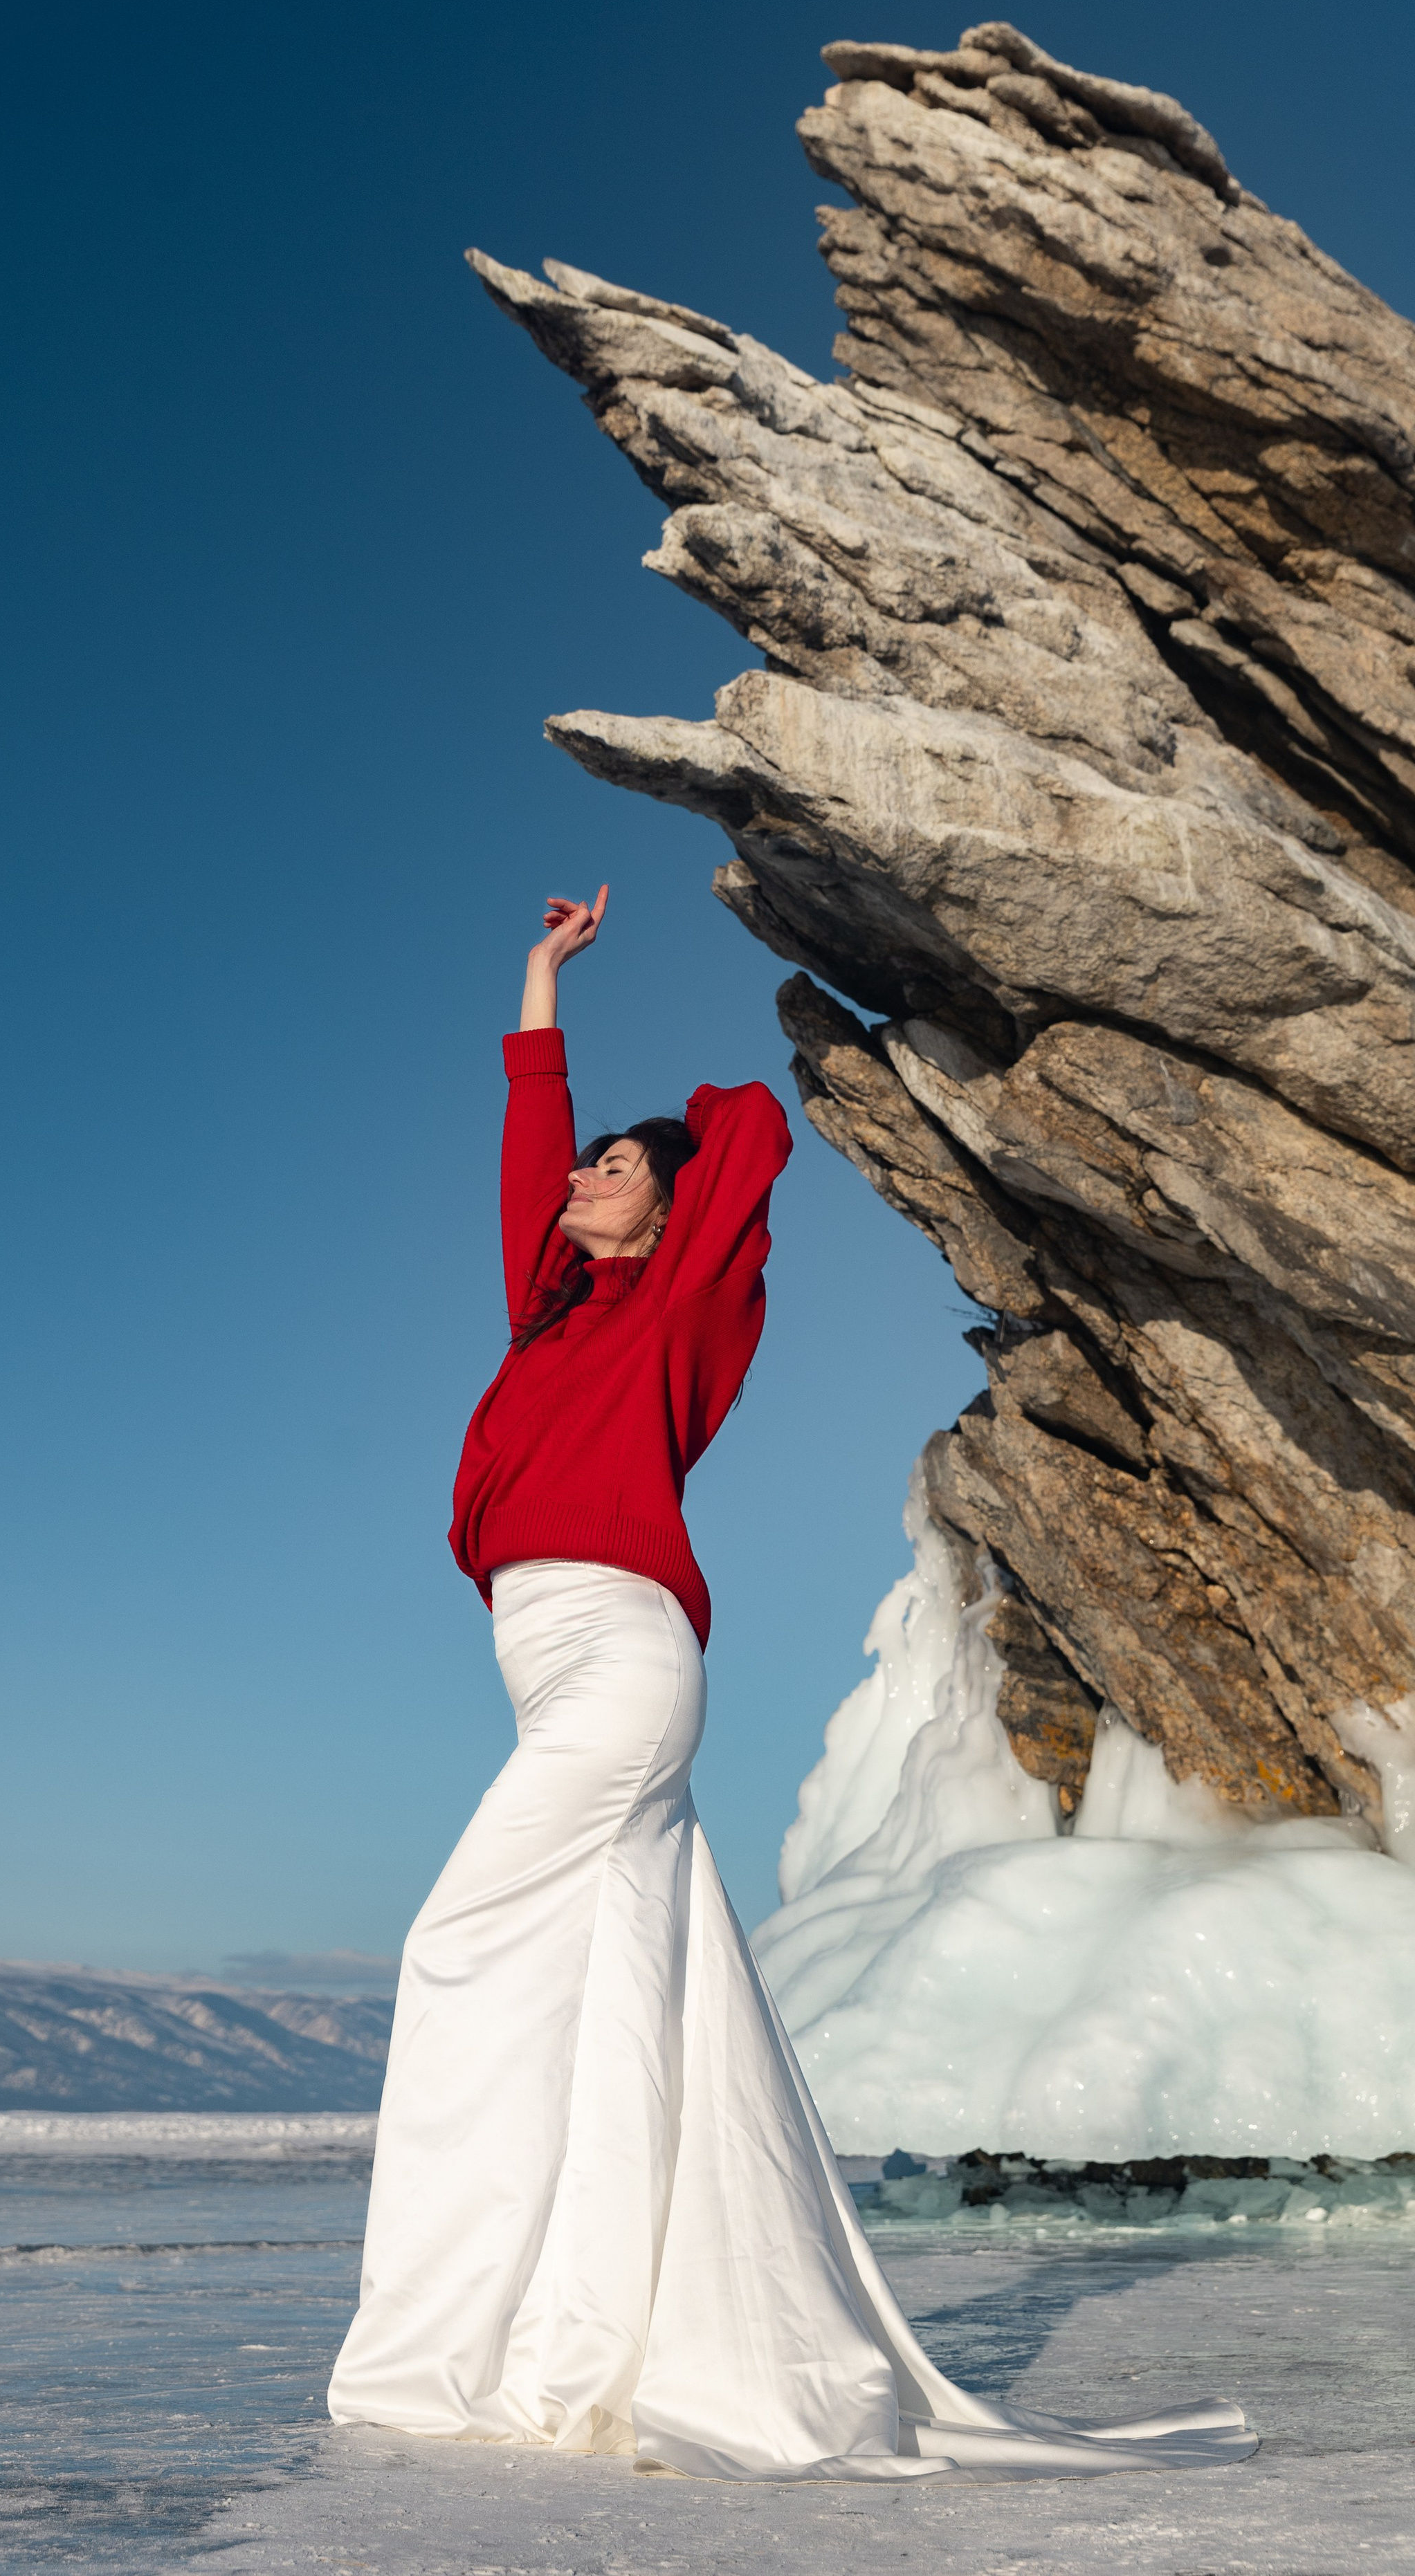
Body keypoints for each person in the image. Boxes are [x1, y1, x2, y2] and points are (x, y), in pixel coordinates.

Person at [327, 887, 1256, 2483]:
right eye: (579, 1168)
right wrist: (539, 982)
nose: (572, 1181)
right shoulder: (546, 1318)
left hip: (620, 1660)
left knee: (458, 1943)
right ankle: (581, 2335)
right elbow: (524, 1142)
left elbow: (748, 1130)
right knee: (619, 2005)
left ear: (665, 1215)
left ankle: (437, 2348)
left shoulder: (680, 1312)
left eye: (606, 1172)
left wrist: (670, 1147)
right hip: (543, 1661)